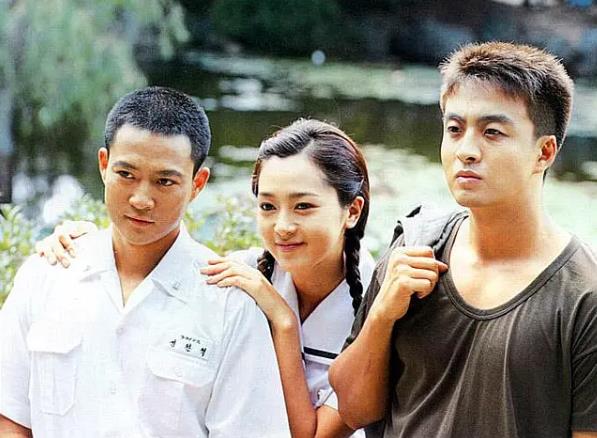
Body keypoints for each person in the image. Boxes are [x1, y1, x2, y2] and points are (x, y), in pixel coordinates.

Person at [33, 119, 376, 437]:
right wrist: (90, 244)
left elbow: (311, 435)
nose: (283, 227)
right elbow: (159, 276)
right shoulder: (242, 274)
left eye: (303, 207)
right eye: (268, 207)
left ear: (352, 210)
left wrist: (283, 322)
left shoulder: (376, 305)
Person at [328, 41, 597, 438]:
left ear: (544, 152)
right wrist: (382, 315)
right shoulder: (414, 247)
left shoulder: (584, 296)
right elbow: (353, 410)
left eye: (492, 132)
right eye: (454, 129)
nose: (466, 150)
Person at [0, 86, 290, 437]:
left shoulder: (229, 304)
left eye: (164, 181)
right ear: (104, 165)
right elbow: (10, 416)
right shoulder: (46, 273)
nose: (141, 199)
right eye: (126, 174)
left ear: (197, 184)